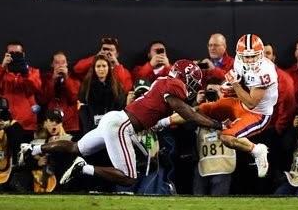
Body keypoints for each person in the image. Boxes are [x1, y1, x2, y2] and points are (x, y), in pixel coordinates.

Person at [19, 60, 223, 186]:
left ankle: (33, 149)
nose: (194, 85)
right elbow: (187, 113)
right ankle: (84, 168)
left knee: (75, 146)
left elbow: (178, 114)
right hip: (122, 125)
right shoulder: (173, 86)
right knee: (129, 177)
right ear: (184, 77)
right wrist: (216, 124)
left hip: (114, 118)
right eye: (193, 80)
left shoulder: (162, 84)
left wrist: (198, 109)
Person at [163, 34, 278, 178]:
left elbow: (251, 102)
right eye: (246, 57)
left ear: (261, 54)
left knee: (226, 138)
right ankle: (162, 122)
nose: (249, 60)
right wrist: (227, 87)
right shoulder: (238, 61)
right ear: (239, 55)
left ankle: (256, 150)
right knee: (199, 109)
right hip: (240, 104)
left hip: (258, 114)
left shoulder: (266, 72)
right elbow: (241, 83)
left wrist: (235, 85)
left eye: (254, 56)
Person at [0, 41, 41, 135]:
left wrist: (25, 74)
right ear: (6, 55)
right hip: (5, 123)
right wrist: (2, 67)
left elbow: (36, 88)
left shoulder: (32, 72)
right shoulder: (0, 72)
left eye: (18, 54)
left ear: (23, 54)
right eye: (11, 53)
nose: (14, 56)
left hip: (26, 125)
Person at [192, 77, 236, 195]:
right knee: (198, 203)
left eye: (216, 92)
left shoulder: (231, 109)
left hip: (223, 164)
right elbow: (186, 127)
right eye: (209, 92)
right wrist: (196, 102)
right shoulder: (198, 111)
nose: (212, 95)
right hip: (203, 164)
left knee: (218, 201)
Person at [77, 55, 127, 134]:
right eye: (98, 66)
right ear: (94, 68)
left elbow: (120, 107)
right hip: (92, 128)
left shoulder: (117, 86)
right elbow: (83, 110)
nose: (101, 69)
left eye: (104, 66)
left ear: (109, 68)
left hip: (112, 127)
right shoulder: (86, 86)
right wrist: (88, 130)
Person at [37, 52, 80, 134]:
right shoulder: (45, 78)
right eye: (57, 63)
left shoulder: (74, 78)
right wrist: (53, 80)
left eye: (63, 62)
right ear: (52, 65)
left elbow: (74, 98)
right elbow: (42, 99)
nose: (60, 65)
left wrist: (66, 78)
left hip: (70, 123)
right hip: (52, 124)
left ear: (67, 64)